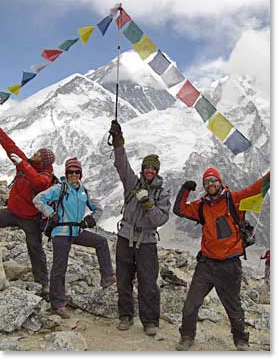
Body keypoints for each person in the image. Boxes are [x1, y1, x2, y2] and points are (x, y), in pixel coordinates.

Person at [173, 167, 270, 351]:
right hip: (206, 264)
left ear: (220, 182)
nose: (210, 184)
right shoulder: (201, 205)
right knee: (191, 304)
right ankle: (186, 336)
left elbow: (256, 188)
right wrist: (185, 189)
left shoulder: (234, 199)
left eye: (213, 180)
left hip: (229, 264)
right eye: (207, 182)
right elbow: (179, 209)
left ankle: (241, 340)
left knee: (233, 306)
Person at [108, 120, 171, 336]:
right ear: (143, 169)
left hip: (147, 242)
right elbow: (121, 164)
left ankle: (150, 321)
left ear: (157, 171)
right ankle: (125, 316)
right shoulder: (133, 184)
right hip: (125, 237)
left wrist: (148, 204)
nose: (149, 171)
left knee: (148, 282)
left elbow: (161, 219)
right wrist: (118, 141)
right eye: (146, 167)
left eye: (153, 168)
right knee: (124, 279)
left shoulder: (162, 194)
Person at [33, 157, 115, 318]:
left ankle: (107, 277)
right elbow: (38, 199)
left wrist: (91, 219)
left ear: (80, 174)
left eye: (77, 172)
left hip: (76, 231)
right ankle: (57, 304)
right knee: (59, 268)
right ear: (66, 173)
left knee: (101, 242)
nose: (74, 174)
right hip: (61, 233)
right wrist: (51, 214)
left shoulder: (83, 190)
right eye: (70, 172)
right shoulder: (59, 188)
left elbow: (98, 208)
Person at [0, 126, 55, 295]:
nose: (35, 154)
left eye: (39, 155)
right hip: (13, 212)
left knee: (35, 249)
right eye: (37, 152)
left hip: (31, 218)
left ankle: (43, 283)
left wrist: (23, 164)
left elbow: (39, 183)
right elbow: (10, 146)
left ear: (43, 162)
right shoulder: (25, 163)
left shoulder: (46, 175)